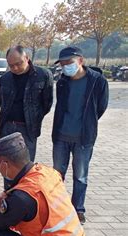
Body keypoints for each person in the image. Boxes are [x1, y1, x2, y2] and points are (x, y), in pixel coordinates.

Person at [52, 46, 109, 224]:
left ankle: (78, 209)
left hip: (83, 138)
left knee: (80, 176)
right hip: (61, 136)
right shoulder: (62, 82)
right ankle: (58, 208)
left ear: (80, 61)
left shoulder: (97, 81)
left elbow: (100, 107)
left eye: (69, 63)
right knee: (57, 175)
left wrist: (87, 123)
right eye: (62, 64)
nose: (65, 67)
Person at [0, 46, 53, 161]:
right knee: (8, 167)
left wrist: (35, 117)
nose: (15, 68)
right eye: (11, 65)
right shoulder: (5, 79)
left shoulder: (43, 75)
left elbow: (47, 103)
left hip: (28, 128)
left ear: (27, 58)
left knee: (26, 166)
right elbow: (1, 102)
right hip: (7, 127)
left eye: (19, 63)